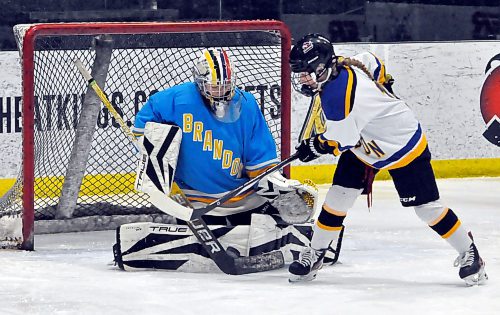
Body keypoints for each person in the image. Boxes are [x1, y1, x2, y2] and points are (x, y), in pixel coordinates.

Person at [287, 34, 488, 286]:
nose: (302, 79)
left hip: (401, 145)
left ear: (321, 68)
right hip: (365, 145)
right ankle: (316, 252)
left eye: (306, 72)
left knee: (427, 209)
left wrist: (314, 146)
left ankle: (470, 253)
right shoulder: (346, 64)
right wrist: (384, 84)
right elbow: (371, 61)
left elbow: (340, 141)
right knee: (338, 198)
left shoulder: (339, 99)